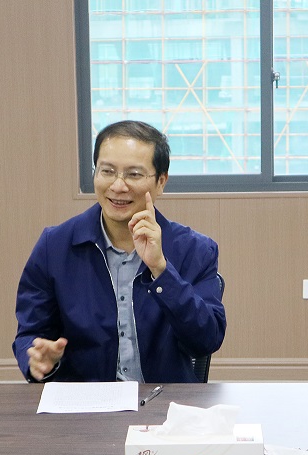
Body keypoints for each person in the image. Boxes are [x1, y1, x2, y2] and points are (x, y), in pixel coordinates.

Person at [13, 120, 225, 383]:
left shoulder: (195, 251)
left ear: (161, 181)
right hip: (85, 403)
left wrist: (161, 270)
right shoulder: (54, 247)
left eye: (134, 174)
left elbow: (207, 339)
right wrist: (37, 357)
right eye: (107, 171)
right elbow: (30, 333)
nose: (118, 186)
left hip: (162, 401)